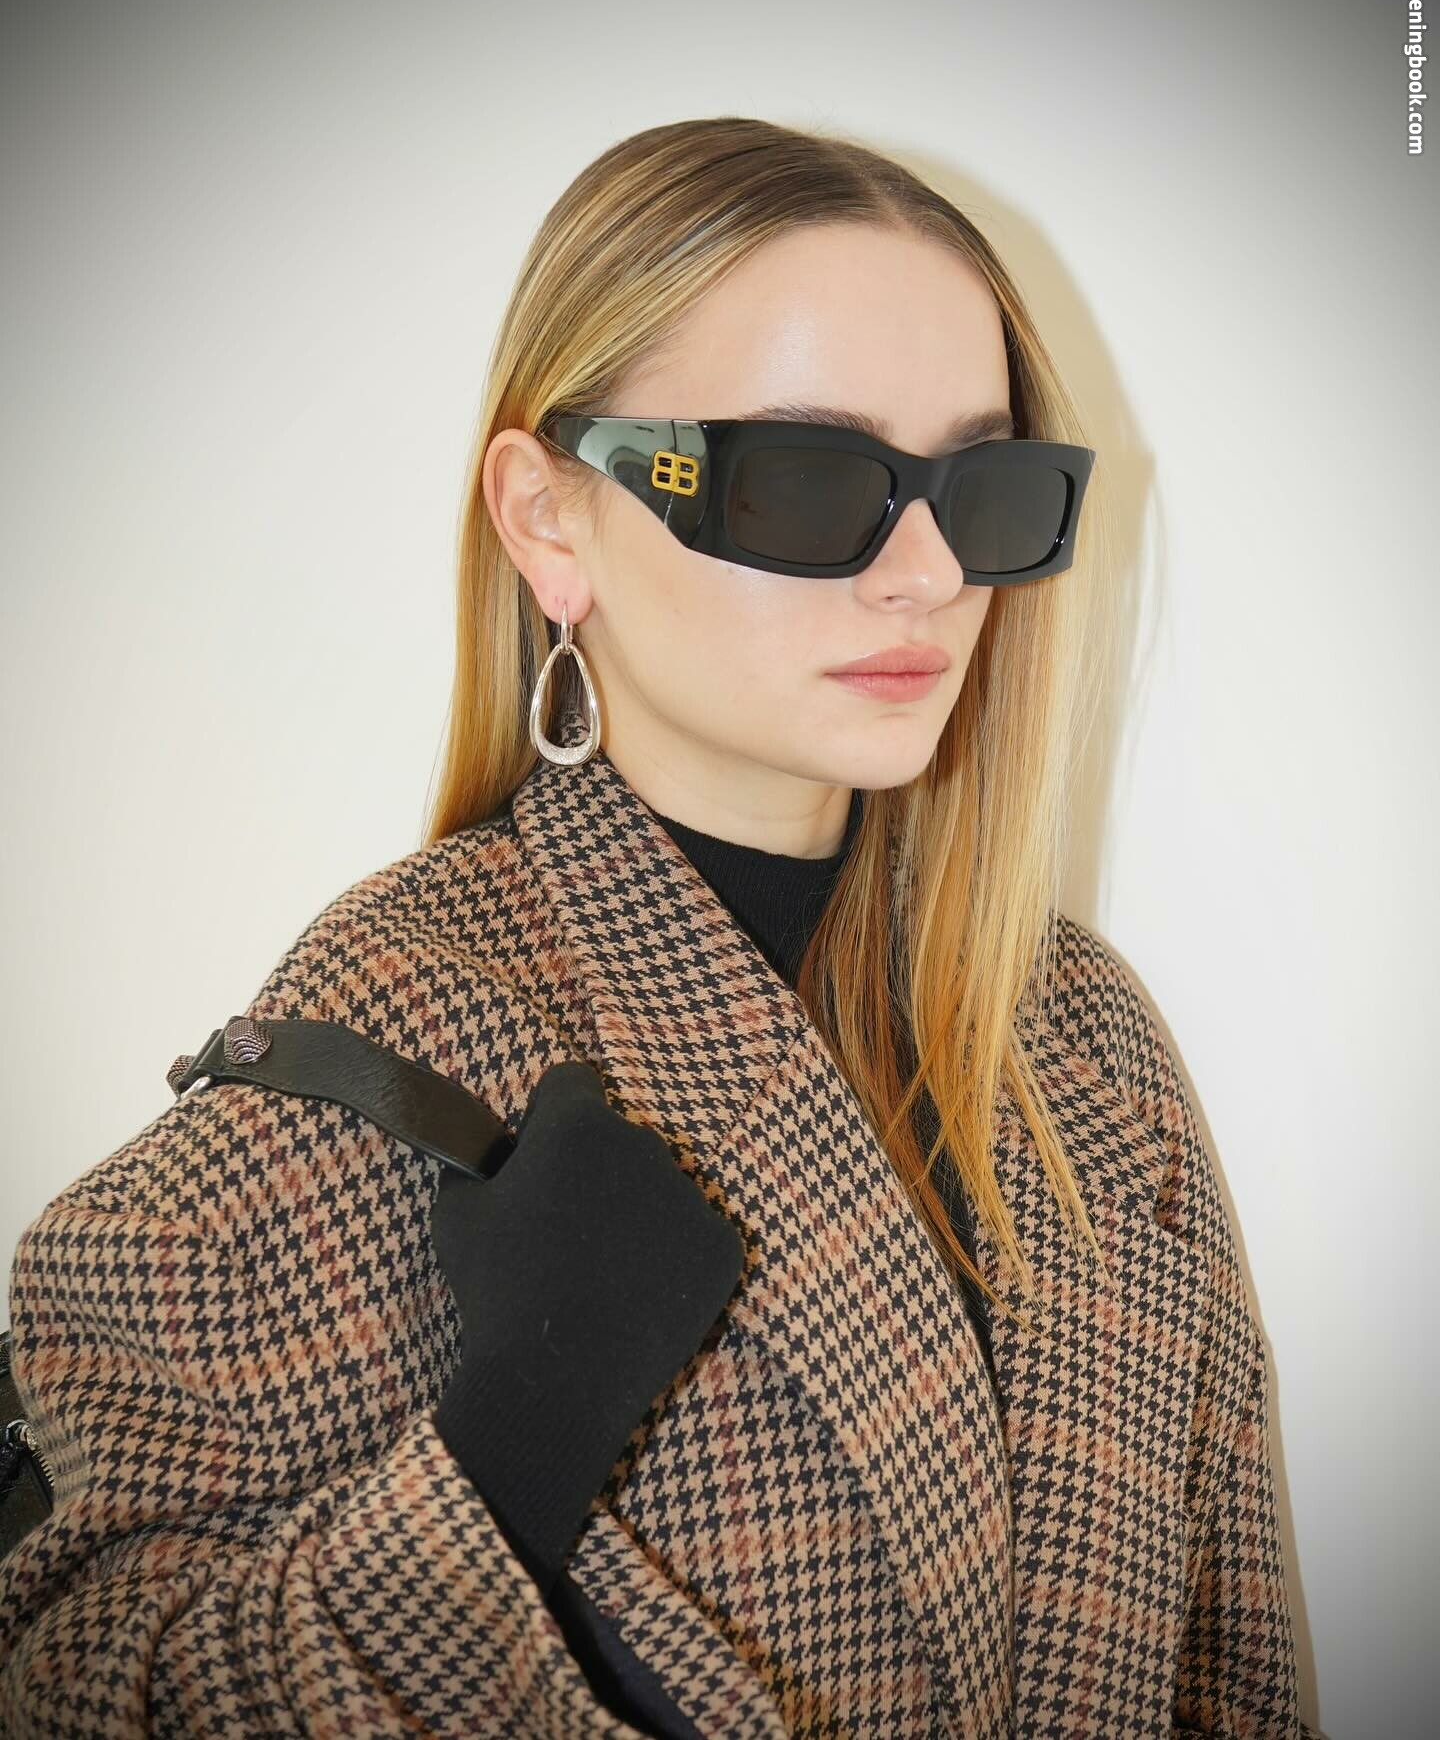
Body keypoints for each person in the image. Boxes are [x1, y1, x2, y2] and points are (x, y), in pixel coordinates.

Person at [0, 116, 1321, 1737]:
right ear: (550, 520)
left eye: (985, 489)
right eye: (809, 482)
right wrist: (511, 1446)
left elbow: (1239, 1677)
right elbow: (74, 1687)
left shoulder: (1081, 1040)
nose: (926, 575)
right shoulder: (389, 1050)